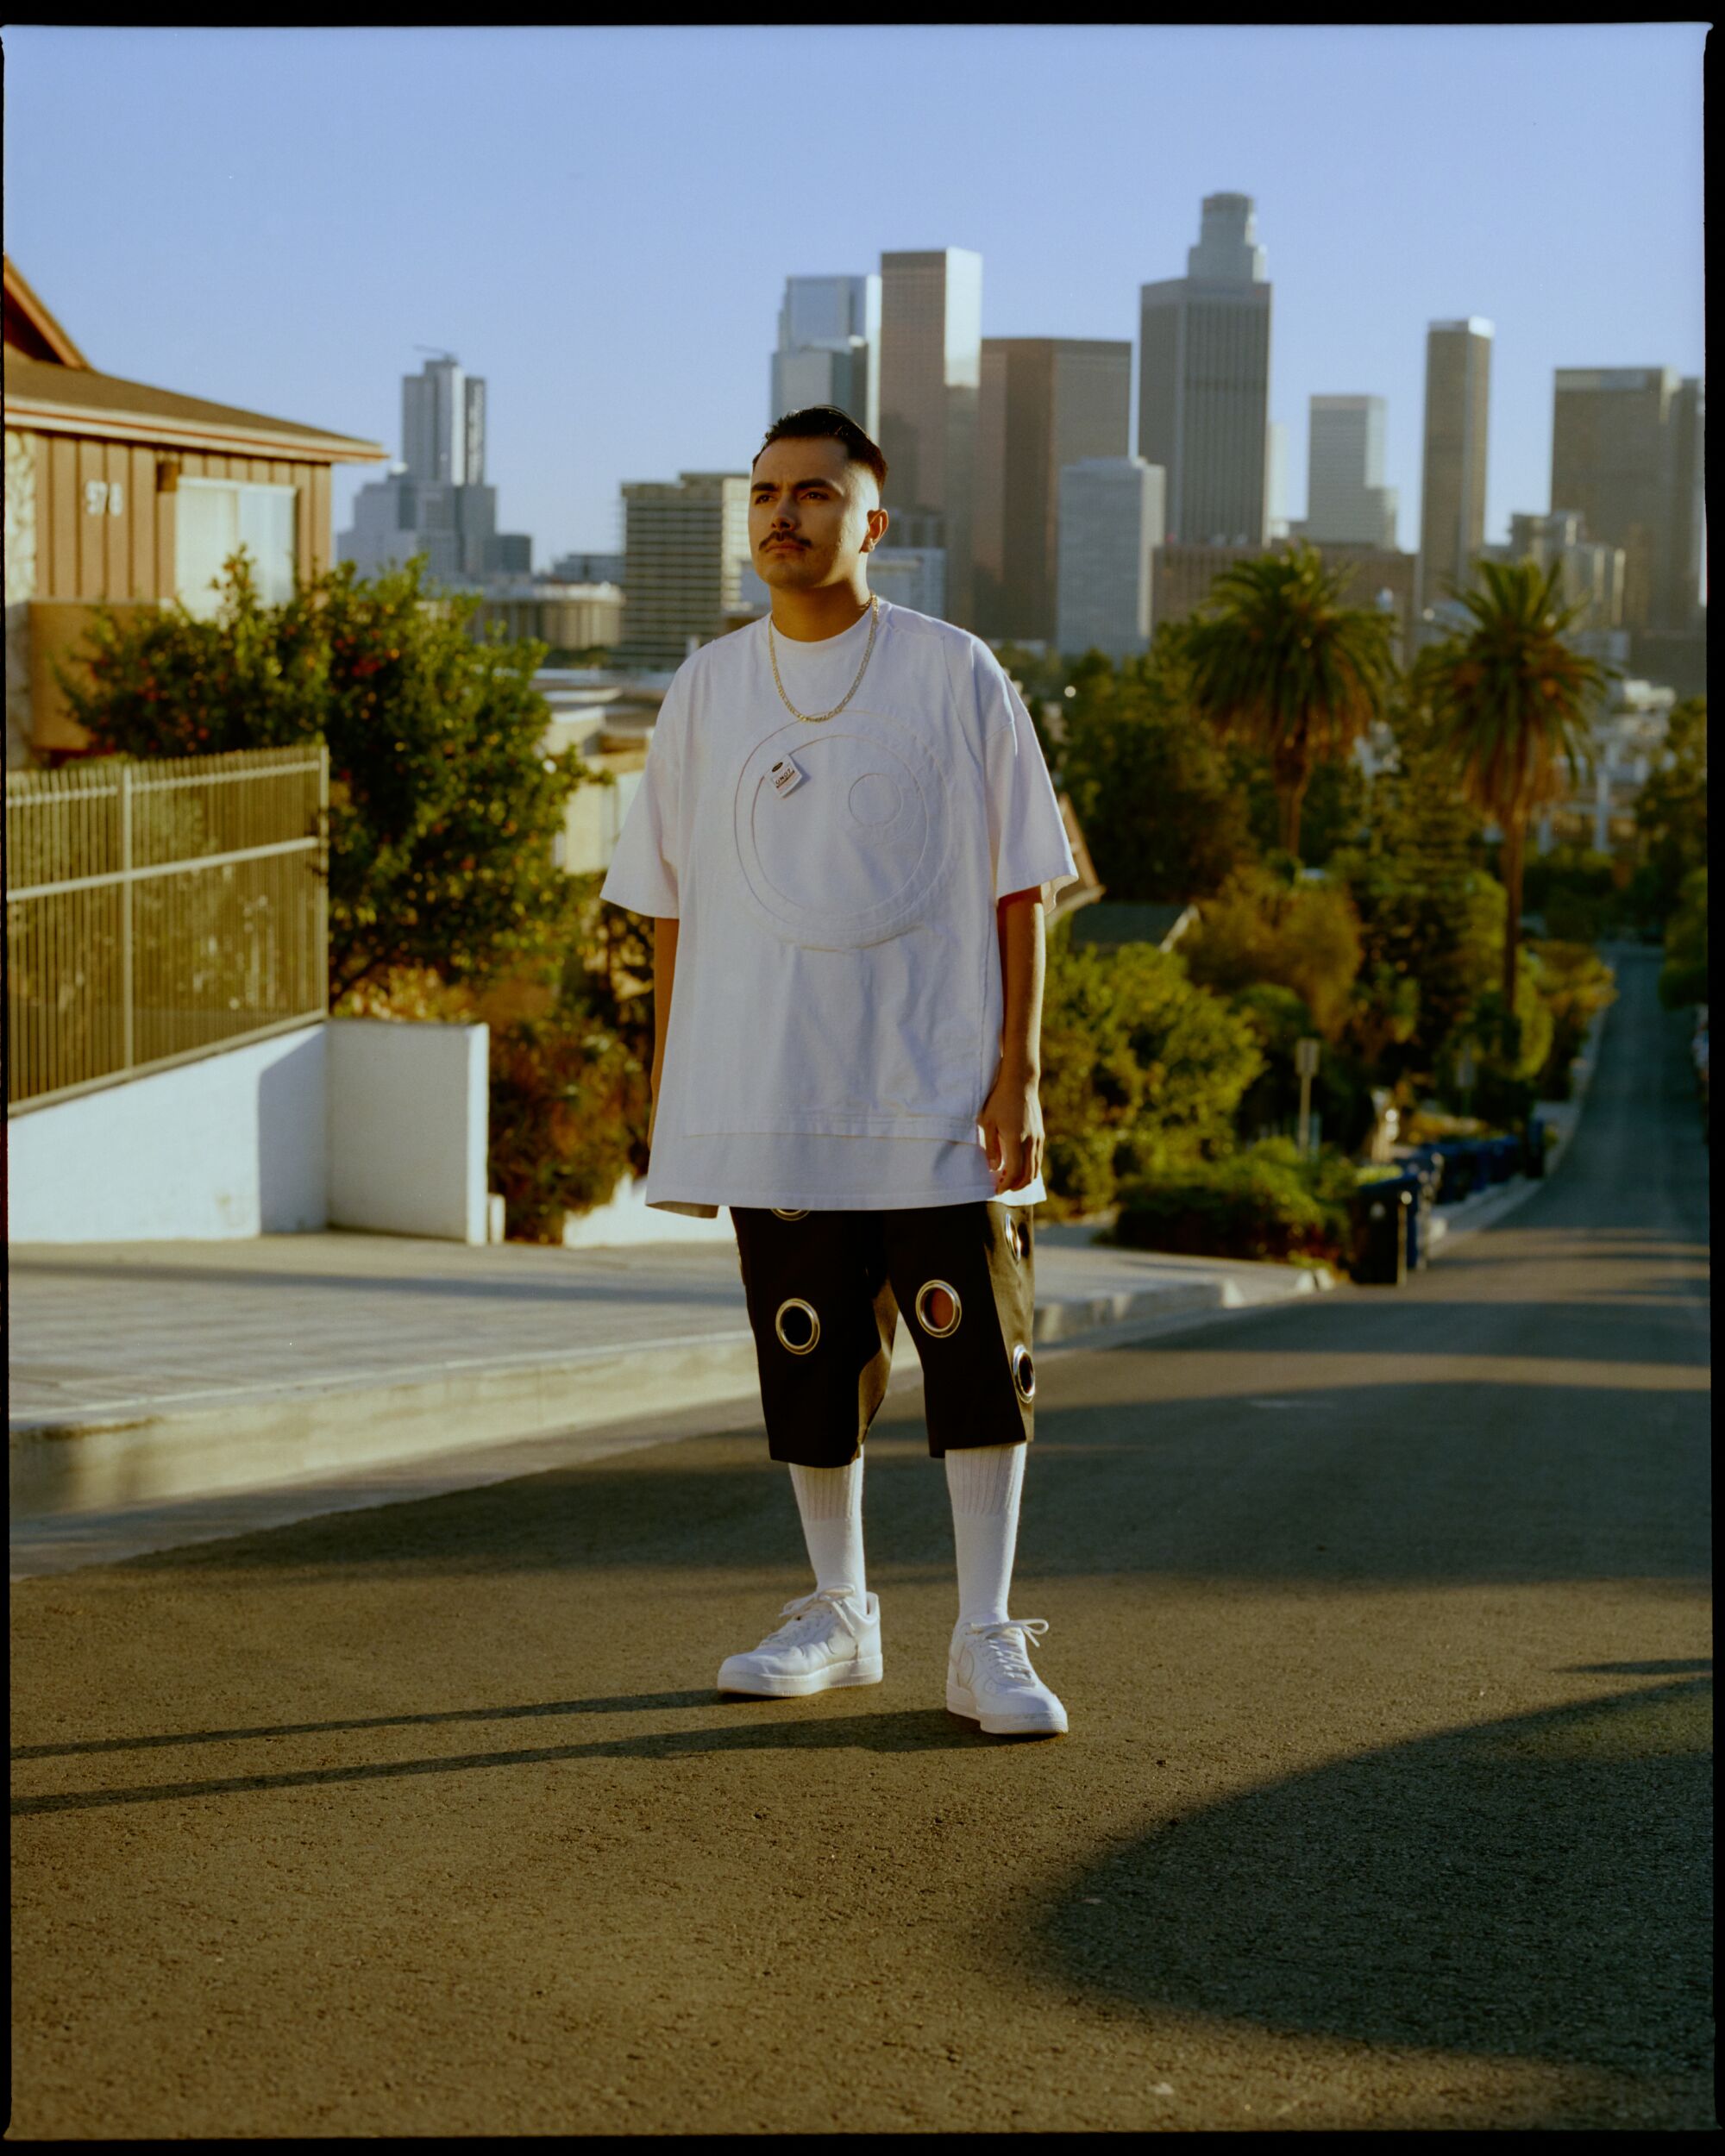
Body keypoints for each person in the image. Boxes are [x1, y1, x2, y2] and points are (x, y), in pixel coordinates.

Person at [599, 406, 1080, 1738]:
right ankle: (841, 1612)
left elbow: (1023, 880)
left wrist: (1017, 1072)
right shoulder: (704, 689)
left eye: (814, 493)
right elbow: (671, 910)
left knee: (978, 1350)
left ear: (872, 525)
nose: (782, 514)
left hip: (932, 1090)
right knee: (804, 1354)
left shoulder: (954, 671)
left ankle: (986, 1638)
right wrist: (676, 1094)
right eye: (763, 492)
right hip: (771, 1090)